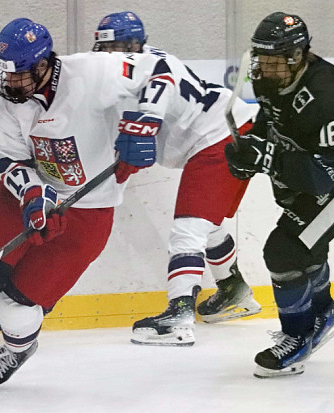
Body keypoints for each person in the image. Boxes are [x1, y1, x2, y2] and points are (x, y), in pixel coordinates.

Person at [0, 17, 181, 396]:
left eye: (19, 76)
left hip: (88, 212)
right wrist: (31, 193)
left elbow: (160, 71)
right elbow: (4, 159)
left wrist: (144, 123)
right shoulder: (2, 95)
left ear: (45, 63)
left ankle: (19, 348)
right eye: (4, 75)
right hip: (21, 200)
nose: (9, 85)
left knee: (13, 310)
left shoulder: (93, 72)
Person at [93, 11, 261, 346]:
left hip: (219, 138)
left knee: (189, 227)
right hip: (227, 131)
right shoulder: (126, 73)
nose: (109, 54)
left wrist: (120, 168)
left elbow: (141, 139)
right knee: (207, 223)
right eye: (105, 47)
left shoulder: (154, 72)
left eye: (116, 47)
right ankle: (233, 291)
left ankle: (179, 315)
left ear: (134, 45)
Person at [224, 12, 334, 378]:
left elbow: (325, 177)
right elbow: (269, 121)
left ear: (298, 55)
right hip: (308, 184)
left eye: (276, 61)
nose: (266, 69)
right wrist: (252, 151)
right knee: (307, 248)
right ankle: (325, 312)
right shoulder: (270, 78)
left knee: (284, 251)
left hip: (333, 184)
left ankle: (298, 336)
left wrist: (268, 158)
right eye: (262, 59)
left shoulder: (326, 97)